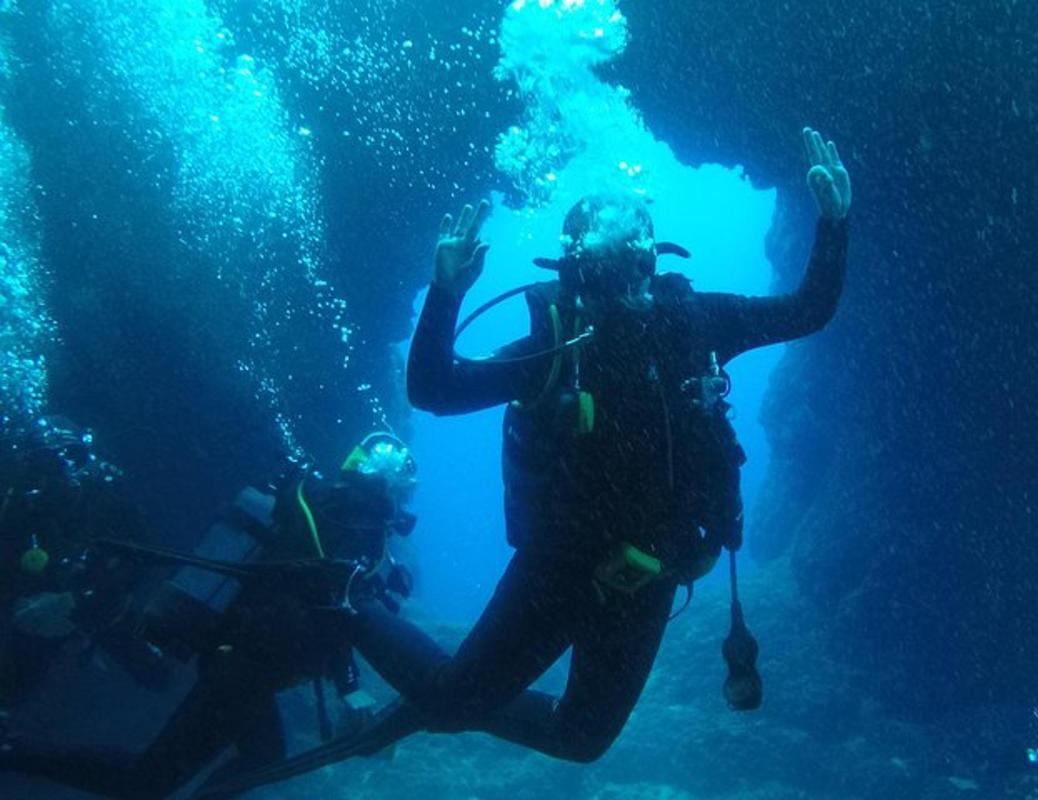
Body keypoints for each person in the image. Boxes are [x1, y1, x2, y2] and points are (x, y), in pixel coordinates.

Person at [184, 127, 851, 799]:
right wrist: (445, 294)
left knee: (582, 737)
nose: (624, 269)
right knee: (450, 704)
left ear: (652, 253)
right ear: (576, 264)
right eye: (606, 254)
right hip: (559, 568)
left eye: (633, 248)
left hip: (649, 575)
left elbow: (809, 309)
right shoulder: (556, 347)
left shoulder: (699, 323)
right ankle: (350, 602)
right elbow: (434, 390)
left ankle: (438, 698)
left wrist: (833, 222)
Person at [0, 432, 418, 800]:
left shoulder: (332, 506)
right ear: (393, 480)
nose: (408, 498)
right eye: (408, 486)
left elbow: (320, 591)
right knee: (148, 781)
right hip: (248, 663)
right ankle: (11, 751)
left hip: (241, 654)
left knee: (263, 755)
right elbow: (330, 600)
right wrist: (350, 688)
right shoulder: (358, 516)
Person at [0, 415, 168, 707]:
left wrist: (86, 597)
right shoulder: (20, 506)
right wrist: (24, 601)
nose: (62, 470)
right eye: (46, 462)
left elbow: (146, 554)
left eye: (73, 457)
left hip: (98, 602)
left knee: (158, 677)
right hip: (38, 607)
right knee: (13, 687)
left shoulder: (105, 498)